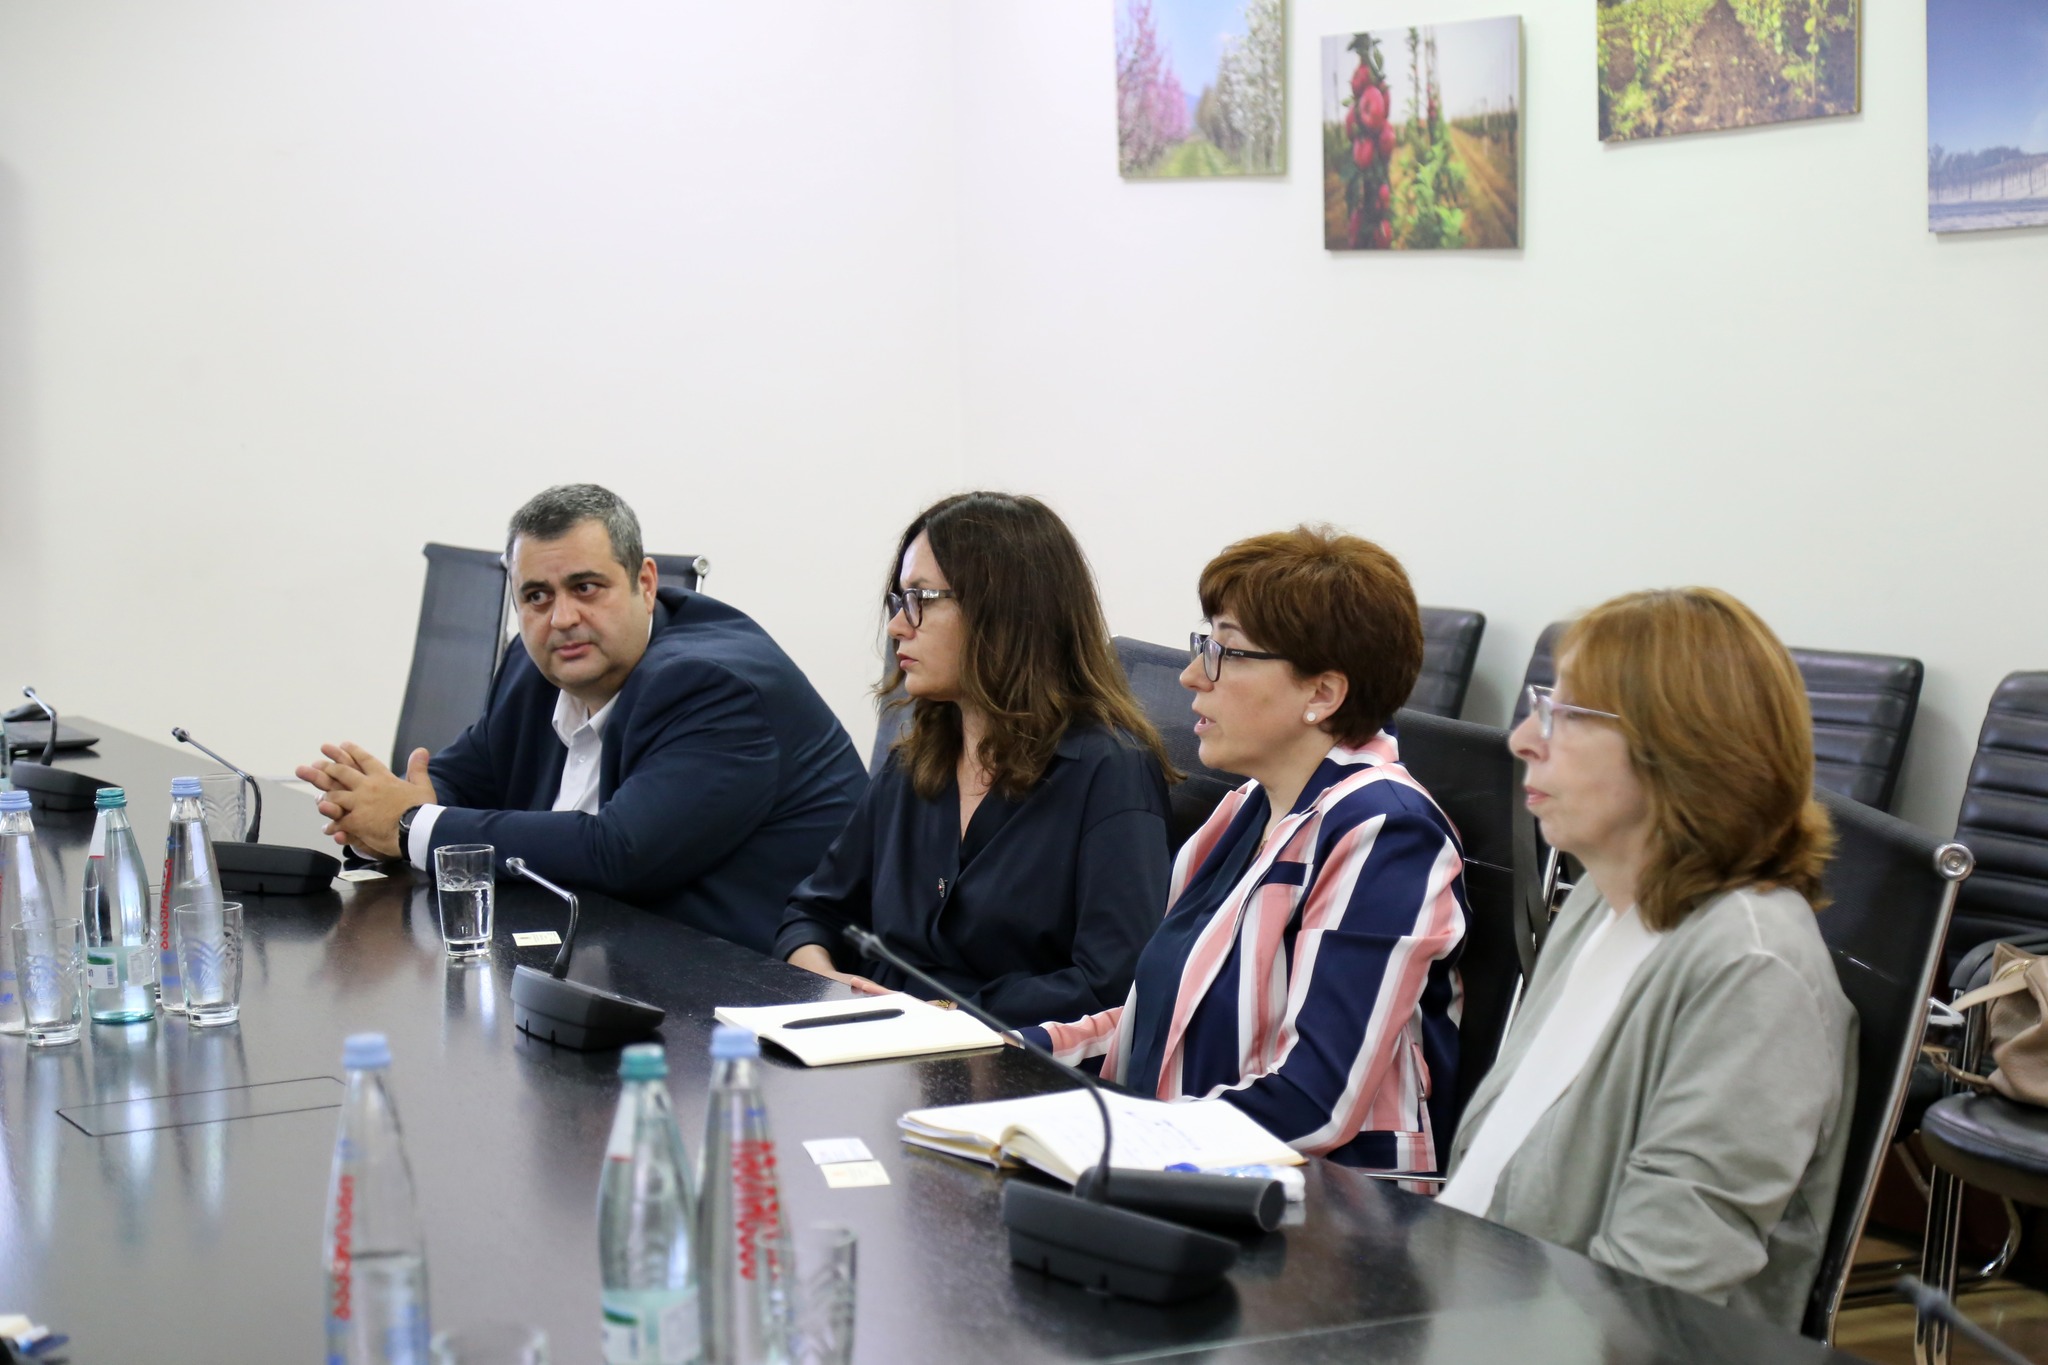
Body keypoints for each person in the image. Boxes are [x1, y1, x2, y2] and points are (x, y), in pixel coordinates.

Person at [1438, 587, 1854, 1328]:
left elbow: (1656, 1288)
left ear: (1680, 749)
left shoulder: (1753, 969)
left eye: (1565, 715)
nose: (1523, 739)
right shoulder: (1604, 898)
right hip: (1473, 1300)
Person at [1021, 527, 1469, 1175]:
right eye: (1204, 644)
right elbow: (1165, 1021)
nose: (1191, 675)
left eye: (1225, 652)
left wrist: (1131, 1139)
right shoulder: (1245, 810)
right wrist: (1007, 1048)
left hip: (1329, 1207)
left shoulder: (1387, 833)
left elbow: (1317, 1102)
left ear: (1322, 693)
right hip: (1196, 1166)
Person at [298, 483, 867, 955]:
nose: (561, 618)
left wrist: (409, 827)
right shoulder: (532, 664)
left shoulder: (713, 685)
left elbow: (619, 853)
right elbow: (466, 777)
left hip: (743, 984)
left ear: (646, 584)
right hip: (597, 956)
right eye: (536, 597)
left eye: (586, 588)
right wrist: (380, 811)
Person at [774, 492, 1173, 1027]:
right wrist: (826, 982)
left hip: (1007, 1059)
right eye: (899, 600)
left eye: (921, 598)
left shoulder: (1110, 769)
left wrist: (941, 1015)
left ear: (1005, 613)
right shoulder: (916, 757)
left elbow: (1111, 983)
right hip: (878, 1041)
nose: (897, 626)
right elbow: (816, 911)